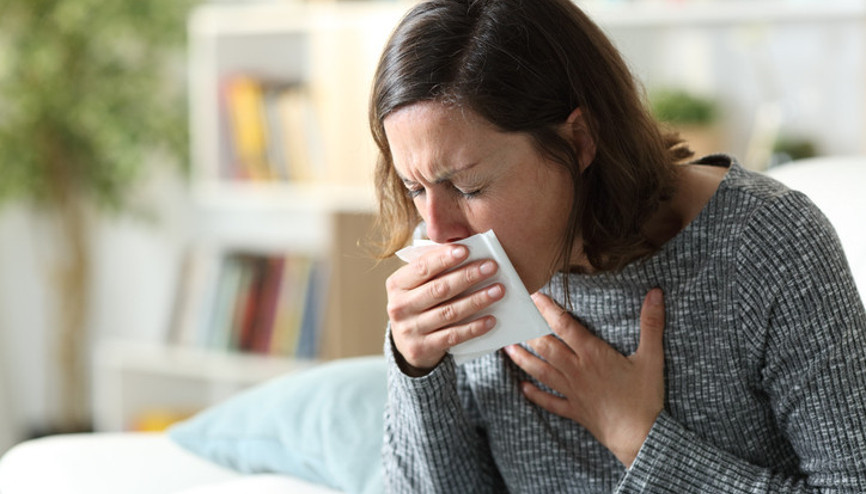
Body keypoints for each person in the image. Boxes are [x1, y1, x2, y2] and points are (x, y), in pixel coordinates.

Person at [368, 0, 866, 492]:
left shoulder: (765, 243)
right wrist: (417, 368)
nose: (435, 231)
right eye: (415, 188)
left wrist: (640, 441)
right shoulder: (455, 259)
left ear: (580, 139)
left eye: (469, 187)